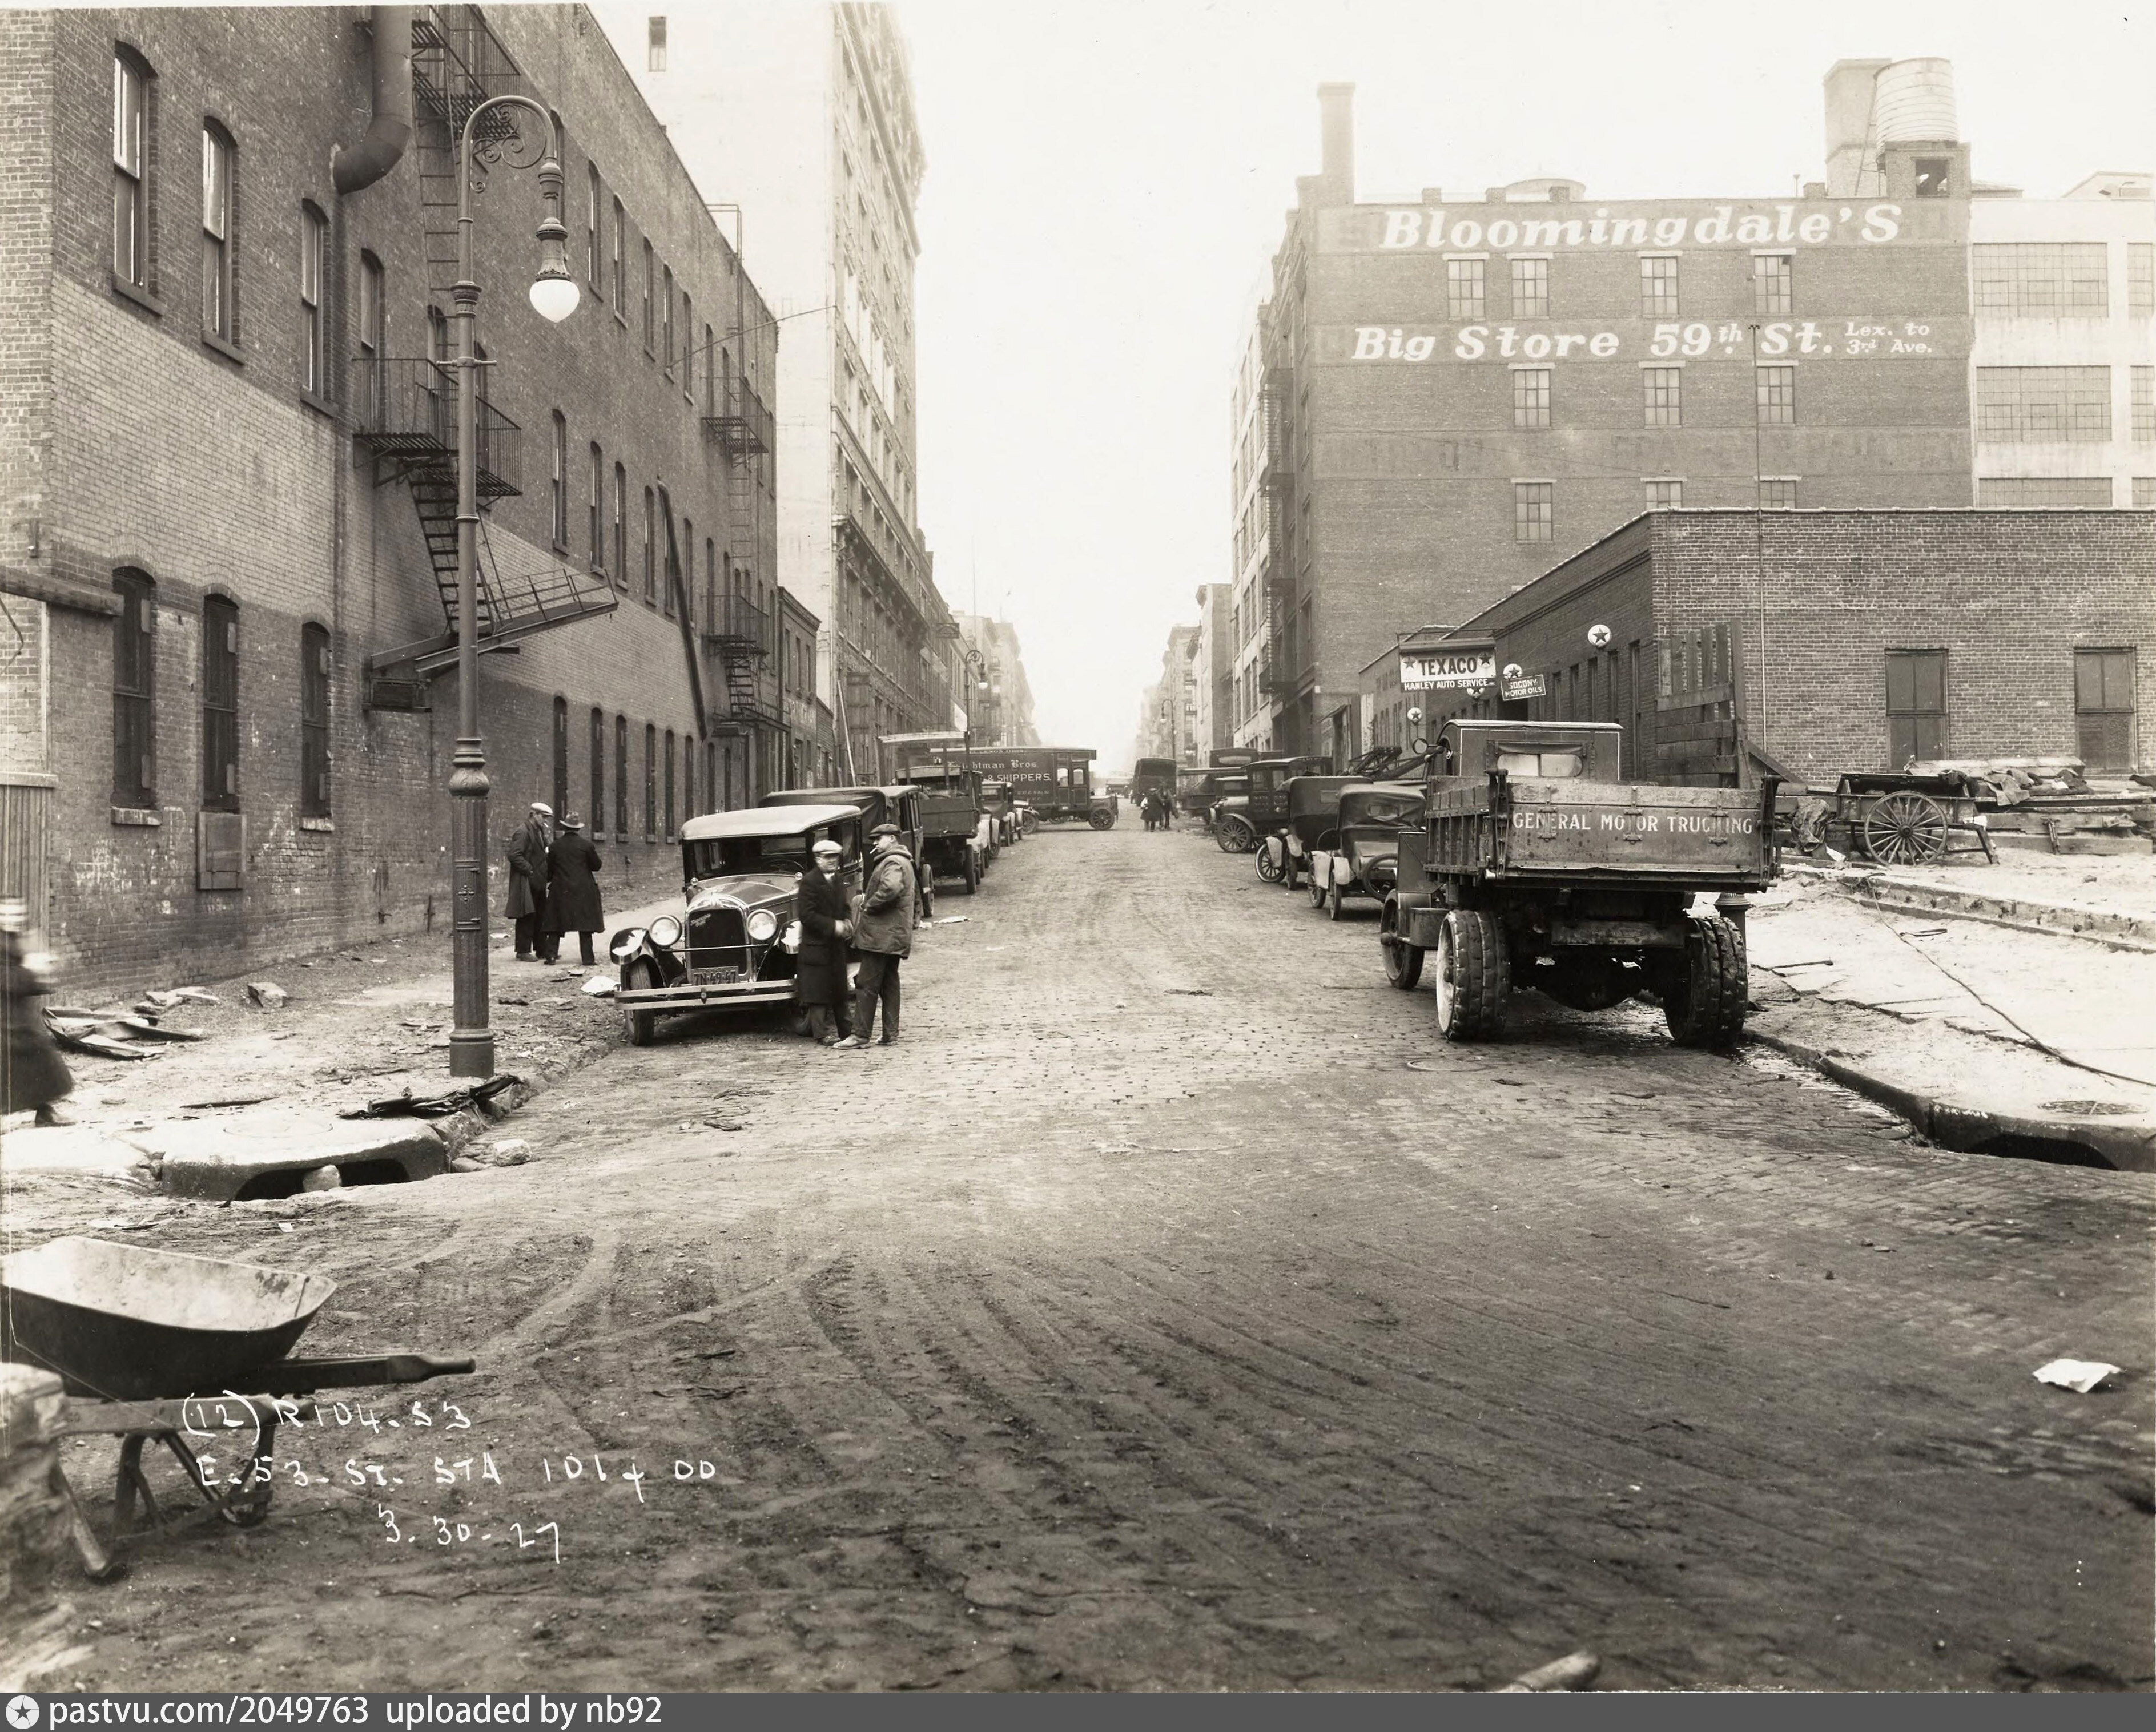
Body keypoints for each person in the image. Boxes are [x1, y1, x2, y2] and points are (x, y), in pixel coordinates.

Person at [834, 823, 915, 1049]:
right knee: (889, 984)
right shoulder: (902, 861)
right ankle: (890, 1034)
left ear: (892, 838)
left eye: (879, 839)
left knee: (866, 984)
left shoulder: (893, 862)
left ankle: (860, 1035)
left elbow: (890, 889)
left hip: (881, 936)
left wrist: (868, 905)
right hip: (892, 936)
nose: (876, 844)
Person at [2, 900, 74, 1127]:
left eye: (17, 914)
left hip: (18, 1014)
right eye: (6, 913)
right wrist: (30, 970)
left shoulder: (16, 940)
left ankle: (45, 1112)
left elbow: (23, 981)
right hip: (3, 1016)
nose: (13, 919)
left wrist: (42, 973)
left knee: (39, 1060)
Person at [795, 838, 854, 1046]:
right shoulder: (809, 882)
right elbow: (807, 915)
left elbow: (845, 906)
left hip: (835, 947)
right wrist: (833, 926)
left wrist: (848, 921)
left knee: (840, 992)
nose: (832, 861)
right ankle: (821, 1034)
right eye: (828, 857)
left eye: (835, 857)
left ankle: (848, 1032)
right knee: (818, 994)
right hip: (817, 947)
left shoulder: (838, 879)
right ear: (818, 859)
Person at [542, 813, 605, 966]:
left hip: (561, 888)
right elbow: (596, 866)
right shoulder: (587, 846)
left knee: (555, 922)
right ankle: (588, 959)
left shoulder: (554, 846)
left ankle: (551, 956)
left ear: (564, 828)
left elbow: (549, 869)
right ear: (578, 829)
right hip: (583, 889)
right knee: (585, 924)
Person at [505, 801, 552, 961]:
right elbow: (514, 855)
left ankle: (542, 949)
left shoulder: (539, 831)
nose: (545, 820)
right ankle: (523, 951)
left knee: (540, 915)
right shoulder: (523, 831)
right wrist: (530, 870)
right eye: (543, 817)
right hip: (526, 880)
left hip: (538, 881)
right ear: (534, 815)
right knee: (527, 915)